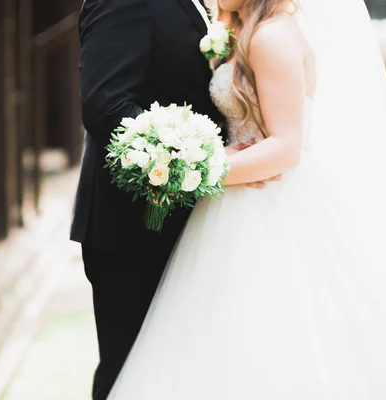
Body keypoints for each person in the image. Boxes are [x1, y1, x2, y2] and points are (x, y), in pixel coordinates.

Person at [106, 0, 386, 398]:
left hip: (272, 203)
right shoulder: (247, 31)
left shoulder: (271, 36)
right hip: (236, 201)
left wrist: (193, 174)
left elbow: (286, 148)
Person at [69, 1, 276, 398]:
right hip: (133, 229)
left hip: (196, 225)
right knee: (130, 375)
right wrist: (206, 159)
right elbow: (106, 106)